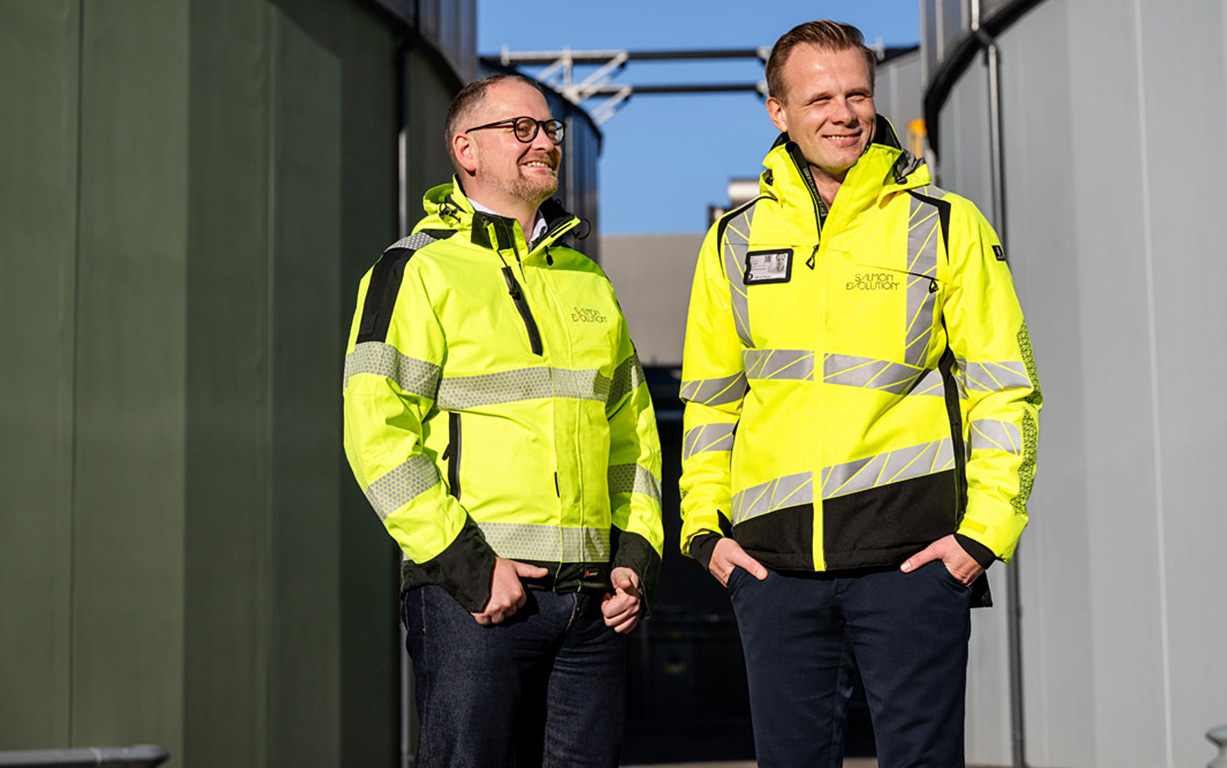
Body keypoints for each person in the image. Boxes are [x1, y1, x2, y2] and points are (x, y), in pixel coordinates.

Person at [678, 20, 1041, 768]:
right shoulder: (733, 243)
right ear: (777, 110)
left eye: (857, 95)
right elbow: (714, 401)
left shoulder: (943, 224)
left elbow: (1005, 390)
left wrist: (983, 536)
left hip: (914, 565)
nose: (843, 114)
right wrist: (705, 533)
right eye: (818, 99)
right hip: (772, 571)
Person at [343, 74, 663, 768]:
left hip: (590, 608)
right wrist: (469, 566)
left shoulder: (587, 280)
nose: (545, 140)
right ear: (466, 149)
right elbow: (375, 431)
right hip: (476, 602)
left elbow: (633, 435)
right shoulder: (417, 271)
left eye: (550, 129)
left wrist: (633, 558)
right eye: (522, 128)